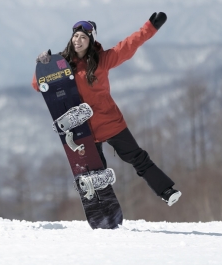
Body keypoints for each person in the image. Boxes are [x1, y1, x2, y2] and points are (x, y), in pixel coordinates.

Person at [33, 12, 182, 206]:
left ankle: (166, 191)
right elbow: (39, 86)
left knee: (138, 158)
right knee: (95, 174)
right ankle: (103, 210)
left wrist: (150, 27)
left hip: (109, 122)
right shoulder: (61, 64)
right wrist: (43, 66)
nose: (78, 40)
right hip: (82, 127)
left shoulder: (102, 60)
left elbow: (129, 45)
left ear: (91, 41)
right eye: (76, 36)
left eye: (83, 37)